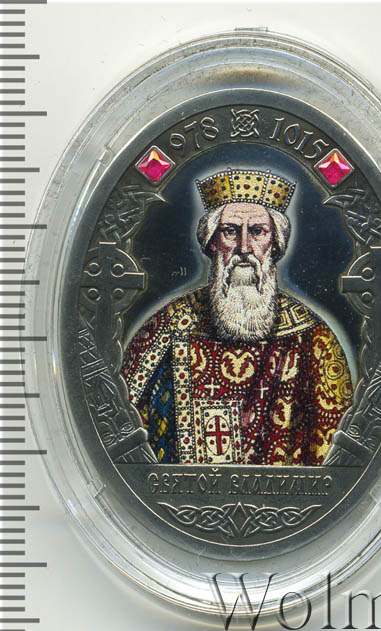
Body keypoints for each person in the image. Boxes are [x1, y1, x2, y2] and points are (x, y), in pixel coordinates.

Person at [121, 169, 353, 465]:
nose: (244, 248)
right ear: (212, 242)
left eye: (257, 232)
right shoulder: (168, 326)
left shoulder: (313, 338)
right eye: (230, 231)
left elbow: (336, 456)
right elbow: (121, 430)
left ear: (275, 243)